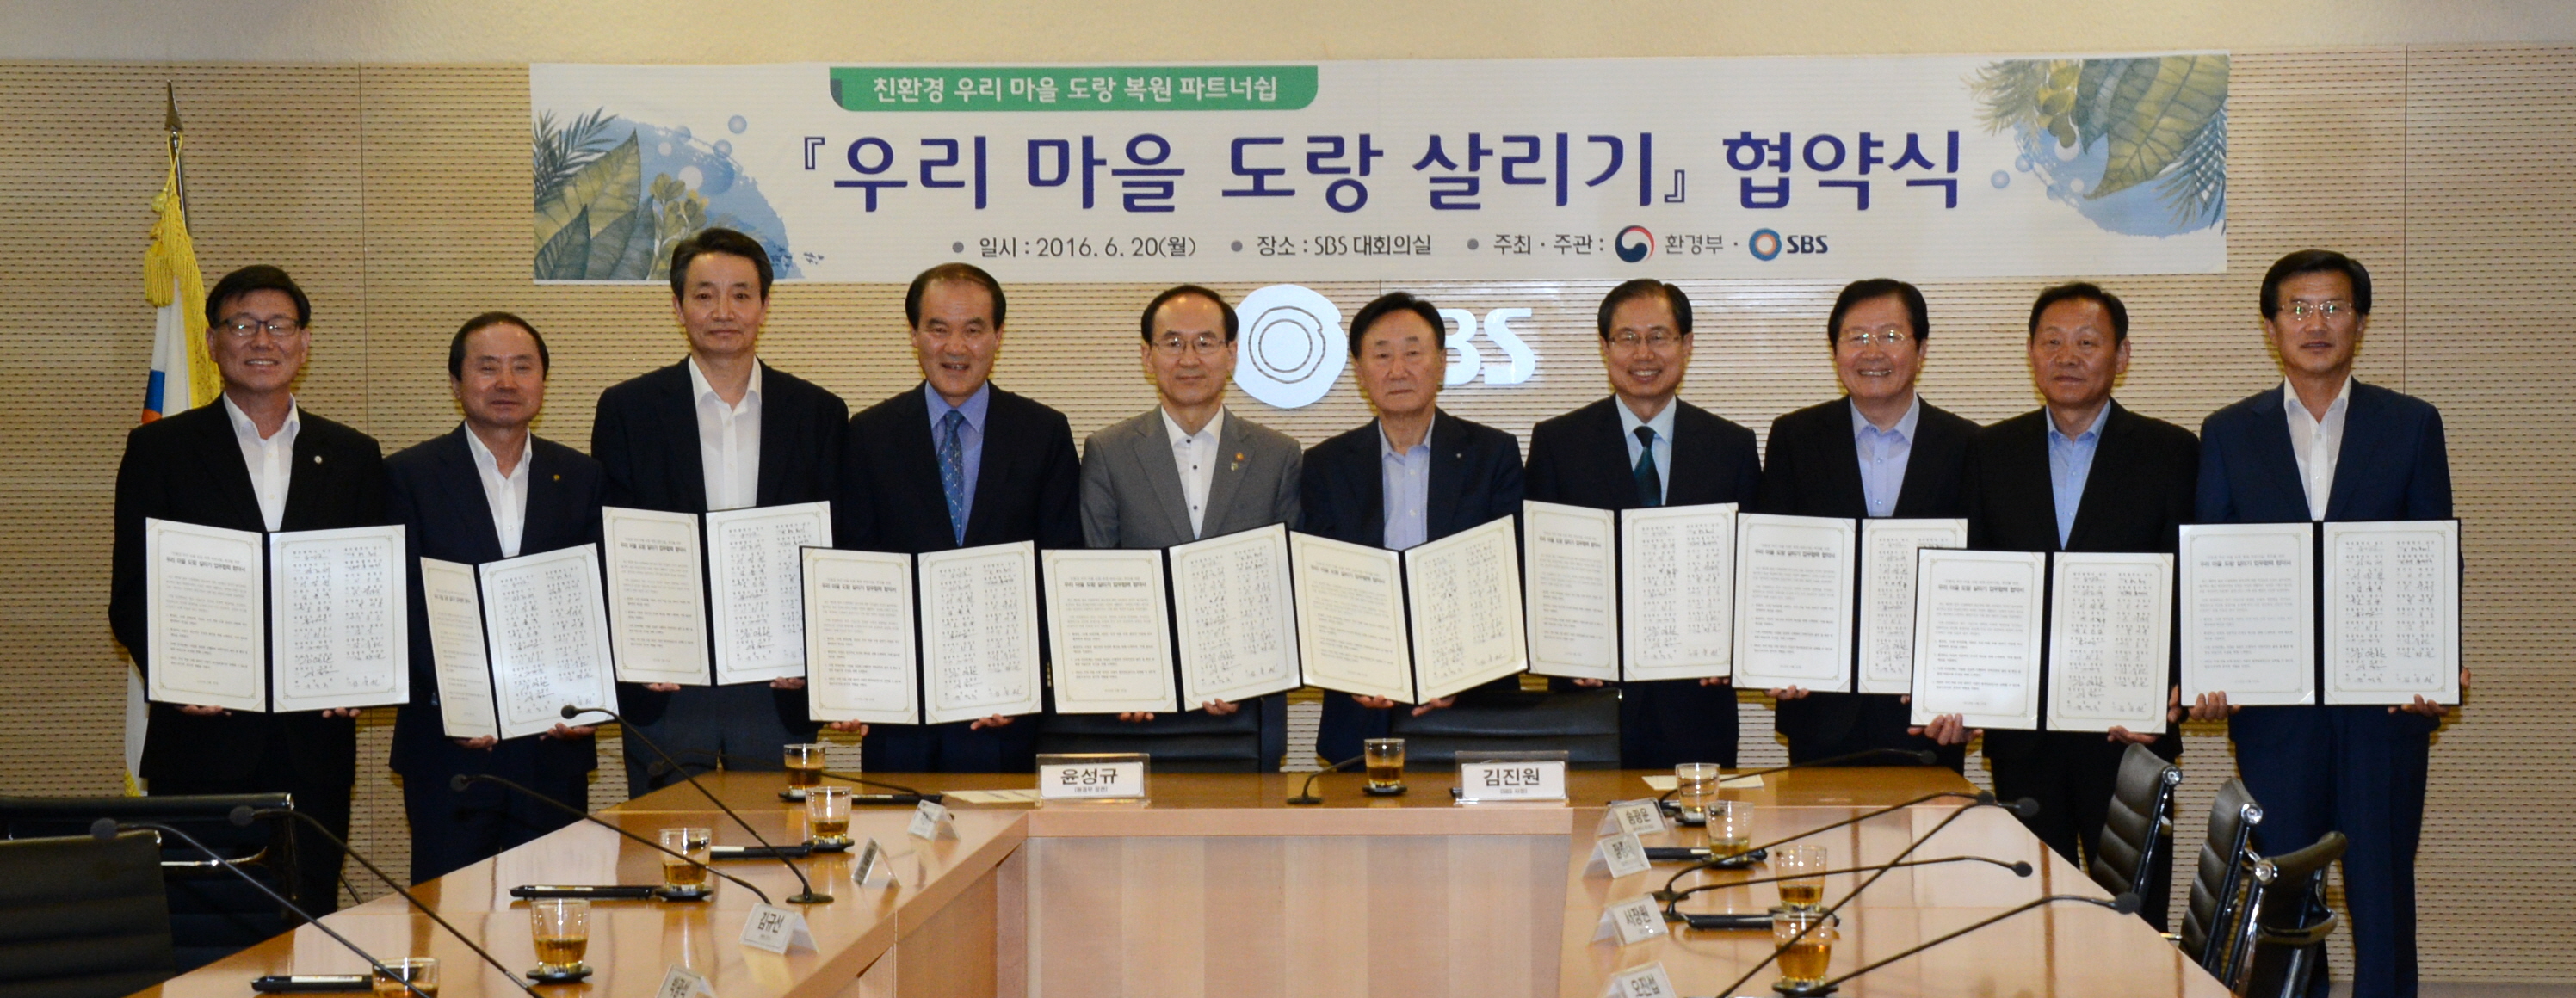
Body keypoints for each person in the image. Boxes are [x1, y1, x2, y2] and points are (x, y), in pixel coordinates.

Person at [2190, 250, 2457, 998]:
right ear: (2270, 325)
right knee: (2283, 897)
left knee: (2382, 891)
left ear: (2360, 323)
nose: (2316, 323)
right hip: (2273, 712)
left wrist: (2434, 664)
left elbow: (2434, 554)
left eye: (2333, 307)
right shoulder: (2228, 431)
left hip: (2382, 710)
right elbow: (2211, 563)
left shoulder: (2409, 424)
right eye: (2298, 308)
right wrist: (2206, 669)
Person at [110, 264, 384, 913]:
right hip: (200, 740)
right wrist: (177, 674)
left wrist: (363, 671)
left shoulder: (353, 455)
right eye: (242, 325)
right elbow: (132, 594)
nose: (262, 340)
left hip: (313, 744)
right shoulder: (160, 450)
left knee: (309, 918)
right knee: (204, 927)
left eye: (279, 325)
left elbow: (374, 588)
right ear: (211, 342)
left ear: (304, 342)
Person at [1929, 284, 2196, 900]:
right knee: (2031, 910)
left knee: (2133, 914)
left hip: (2129, 736)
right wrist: (1959, 689)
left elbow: (2188, 586)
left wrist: (2172, 687)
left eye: (2086, 342)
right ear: (2031, 353)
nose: (2067, 356)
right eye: (2051, 341)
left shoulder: (2172, 452)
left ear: (2121, 355)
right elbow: (1970, 583)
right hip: (2023, 735)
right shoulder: (1990, 452)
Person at [590, 228, 852, 795]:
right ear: (678, 306)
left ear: (764, 305)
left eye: (741, 295)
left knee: (779, 839)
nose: (723, 312)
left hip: (778, 684)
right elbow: (610, 542)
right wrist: (636, 651)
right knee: (669, 839)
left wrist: (821, 656)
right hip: (669, 683)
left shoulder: (817, 413)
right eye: (705, 295)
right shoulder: (629, 410)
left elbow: (838, 549)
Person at [385, 313, 604, 882]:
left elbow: (601, 602)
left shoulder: (581, 478)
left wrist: (591, 696)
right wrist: (461, 699)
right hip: (449, 745)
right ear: (456, 383)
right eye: (487, 368)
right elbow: (398, 605)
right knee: (451, 913)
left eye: (521, 367)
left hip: (554, 744)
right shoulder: (406, 476)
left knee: (554, 908)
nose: (506, 382)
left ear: (542, 382)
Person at [839, 262, 1083, 772]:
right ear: (914, 334)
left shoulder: (1042, 433)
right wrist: (852, 680)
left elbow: (1060, 567)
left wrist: (1021, 679)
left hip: (1004, 714)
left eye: (973, 330)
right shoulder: (868, 435)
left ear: (998, 336)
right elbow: (854, 566)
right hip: (900, 713)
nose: (955, 347)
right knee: (898, 825)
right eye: (938, 329)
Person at [1059, 285, 1302, 763]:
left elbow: (1285, 583)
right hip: (1139, 704)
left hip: (1244, 703)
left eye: (1205, 342)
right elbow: (1097, 572)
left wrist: (1245, 674)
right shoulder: (1108, 451)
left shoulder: (1278, 455)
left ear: (1231, 354)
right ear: (1147, 357)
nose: (1189, 358)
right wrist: (1124, 676)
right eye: (1172, 343)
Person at [1523, 280, 1760, 769]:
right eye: (1627, 338)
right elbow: (1534, 570)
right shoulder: (1558, 444)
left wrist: (1736, 649)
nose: (1643, 353)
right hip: (1588, 706)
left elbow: (1754, 575)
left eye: (1659, 336)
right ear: (1605, 347)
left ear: (1686, 344)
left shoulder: (1730, 447)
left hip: (1698, 708)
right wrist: (1559, 650)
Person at [1752, 279, 1977, 770]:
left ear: (1921, 349)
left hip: (1927, 714)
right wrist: (1774, 656)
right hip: (1819, 704)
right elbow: (1772, 565)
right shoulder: (1795, 438)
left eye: (1891, 336)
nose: (1873, 352)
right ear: (1835, 350)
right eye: (1857, 337)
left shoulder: (1968, 445)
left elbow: (1978, 582)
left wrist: (1971, 694)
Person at [1300, 292, 1524, 764]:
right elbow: (1318, 587)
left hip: (1473, 702)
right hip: (1362, 703)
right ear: (1360, 370)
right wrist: (1353, 668)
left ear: (1441, 363)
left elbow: (1510, 576)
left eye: (1413, 353)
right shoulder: (1326, 465)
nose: (1398, 370)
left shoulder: (1492, 455)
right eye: (1382, 355)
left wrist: (1457, 670)